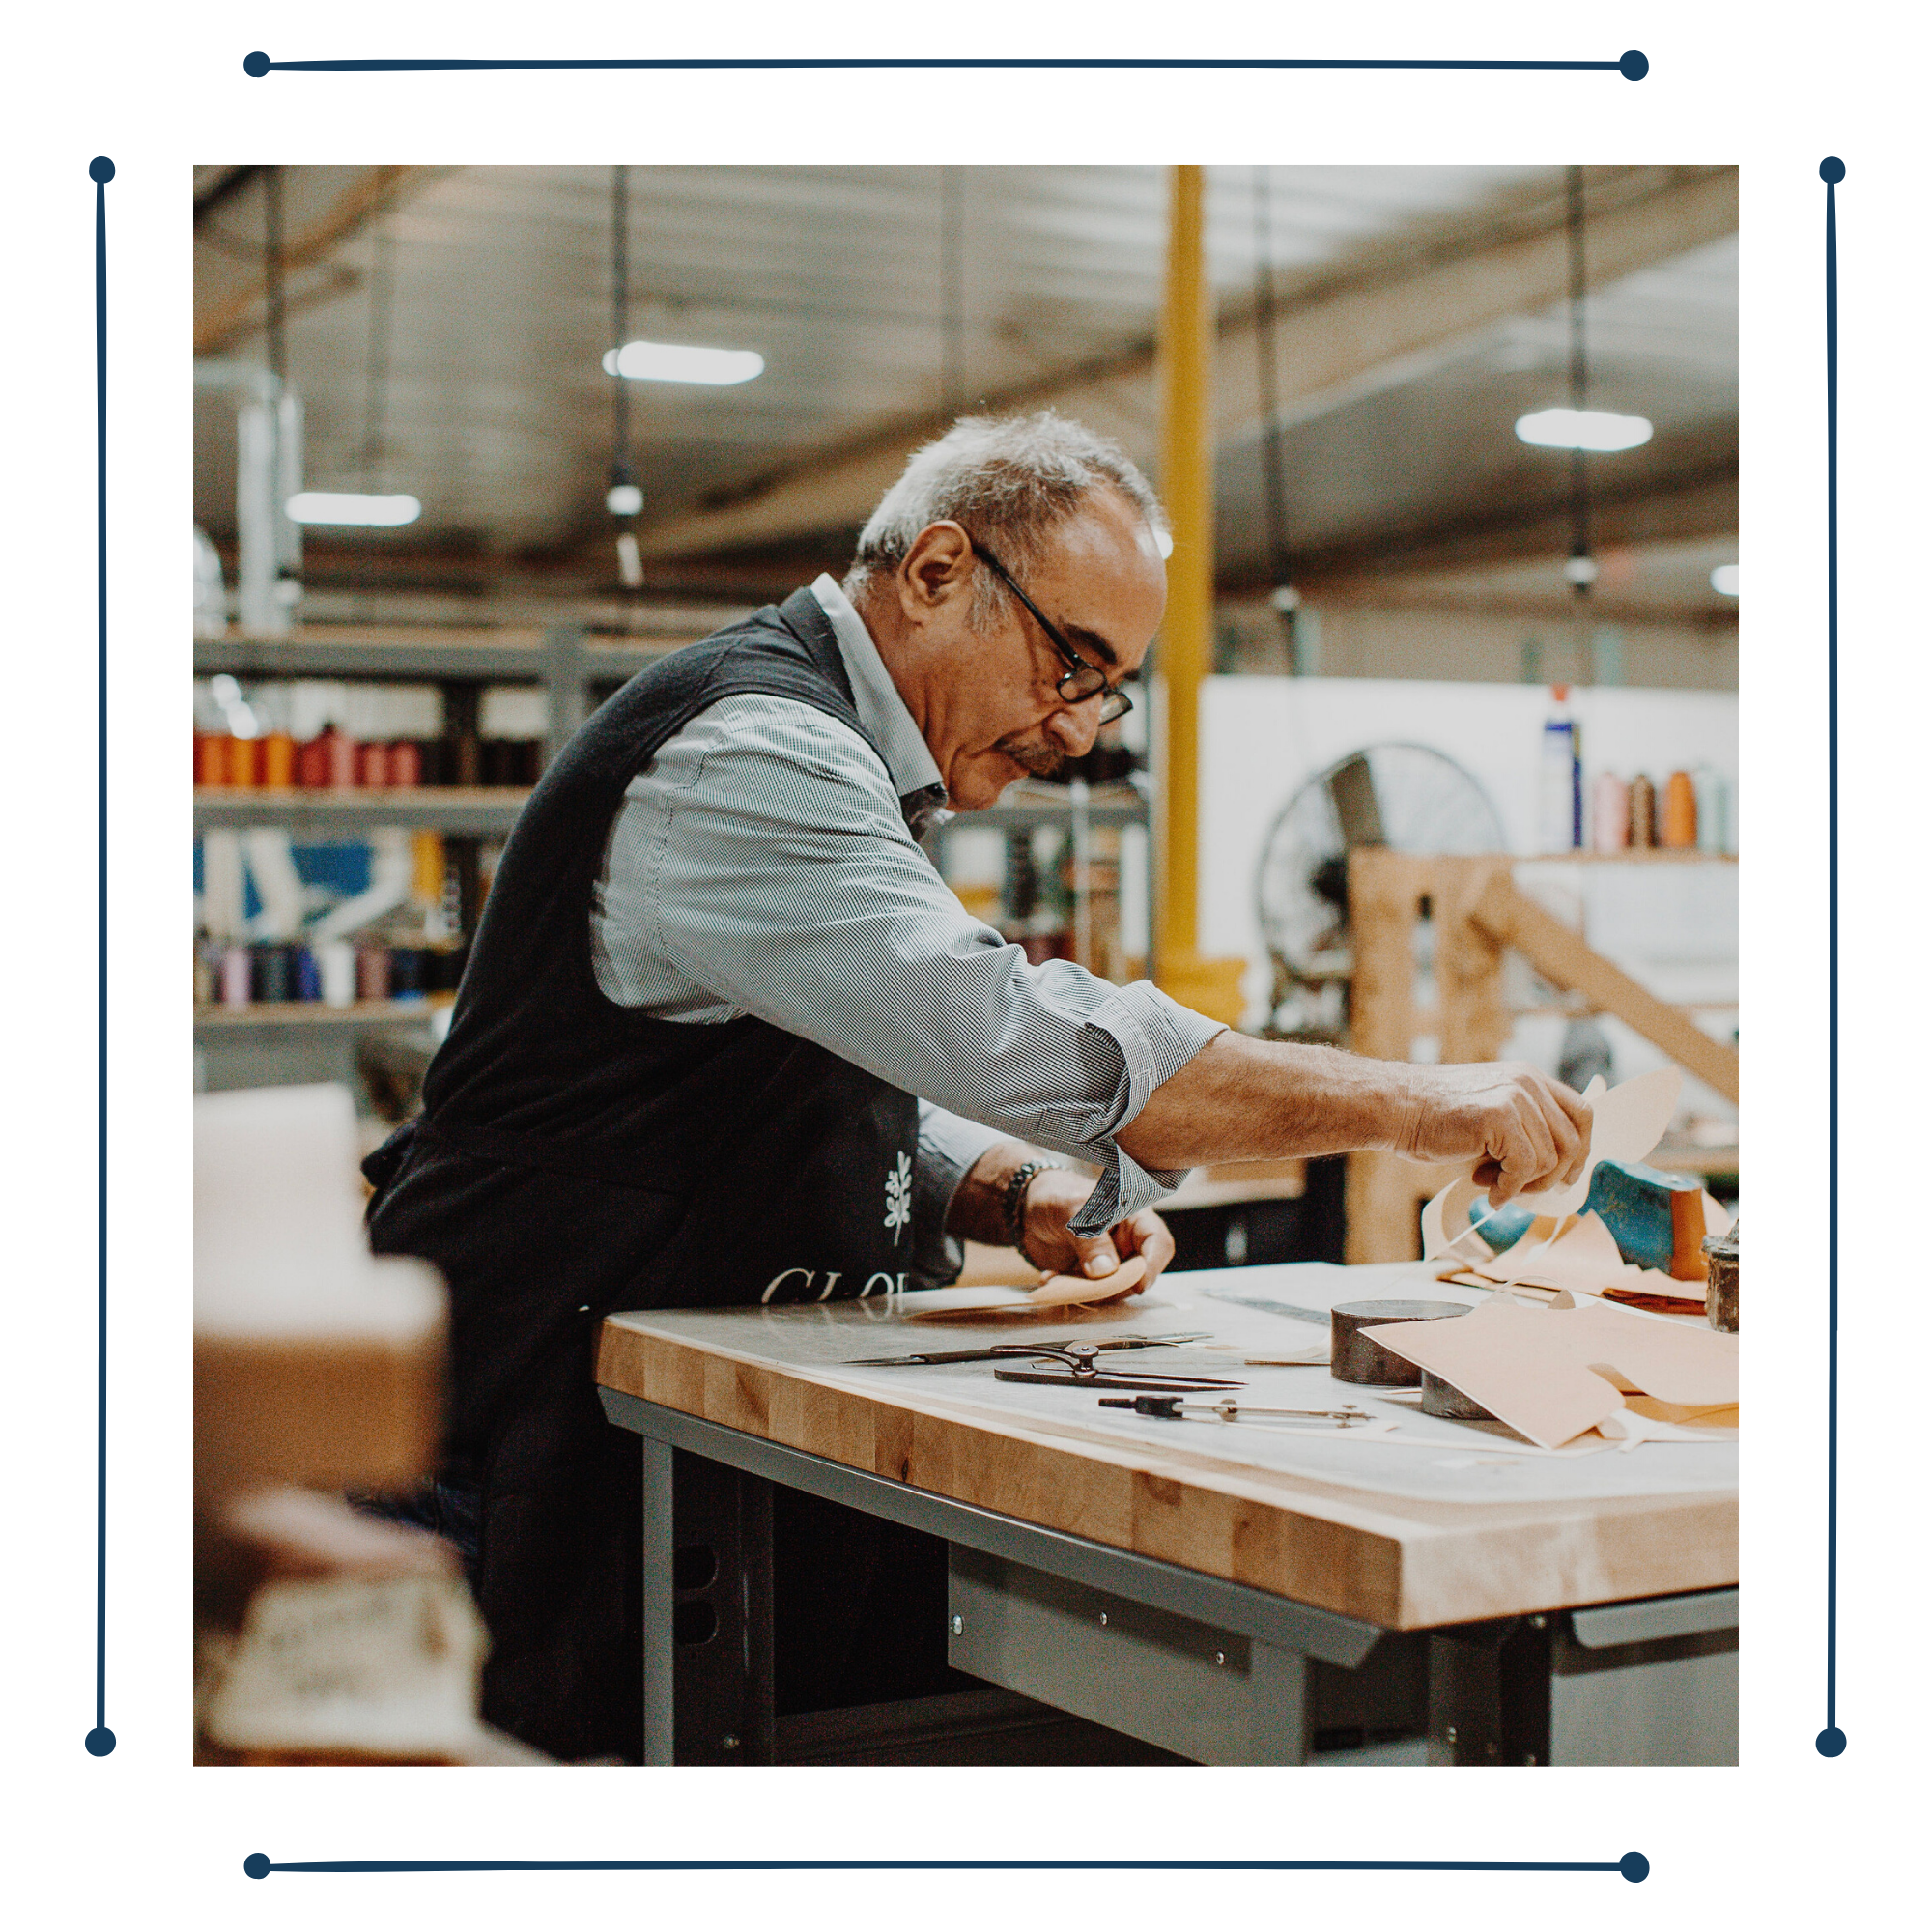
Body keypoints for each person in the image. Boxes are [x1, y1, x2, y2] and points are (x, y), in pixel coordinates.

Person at [362, 410, 1590, 1759]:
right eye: (1071, 663)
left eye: (1106, 689)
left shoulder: (856, 764)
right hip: (513, 1444)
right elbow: (1019, 1034)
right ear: (940, 569)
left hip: (650, 1451)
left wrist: (1006, 1191)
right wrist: (1415, 1103)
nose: (1074, 728)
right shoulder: (756, 750)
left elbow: (810, 1059)